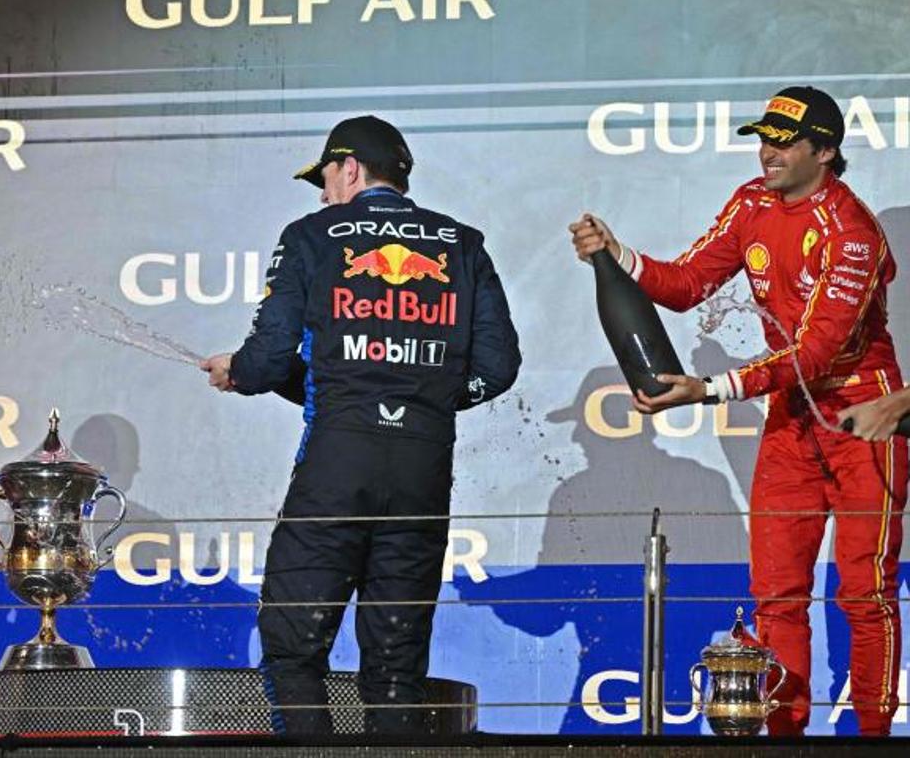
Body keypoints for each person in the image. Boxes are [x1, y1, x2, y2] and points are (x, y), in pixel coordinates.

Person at [570, 86, 907, 737]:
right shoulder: (753, 202)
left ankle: (874, 741)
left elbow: (814, 354)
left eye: (784, 143)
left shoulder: (853, 233)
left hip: (864, 419)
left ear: (826, 151)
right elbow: (686, 283)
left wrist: (707, 390)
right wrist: (619, 257)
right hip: (790, 422)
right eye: (763, 138)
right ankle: (782, 740)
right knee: (777, 595)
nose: (768, 152)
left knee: (864, 596)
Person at [200, 115, 521, 734]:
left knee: (293, 649)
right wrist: (419, 397)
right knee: (397, 668)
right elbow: (498, 368)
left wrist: (238, 373)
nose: (323, 193)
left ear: (350, 169)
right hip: (423, 469)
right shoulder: (463, 243)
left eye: (325, 177)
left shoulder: (311, 235)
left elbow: (268, 359)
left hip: (335, 465)